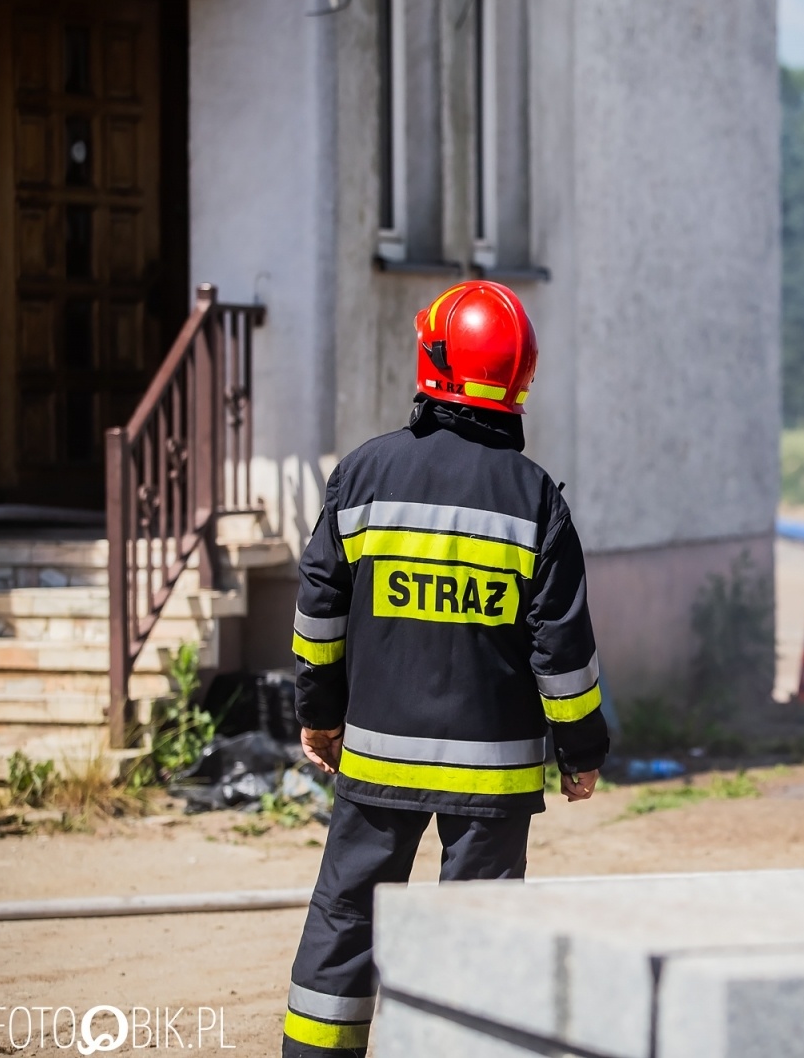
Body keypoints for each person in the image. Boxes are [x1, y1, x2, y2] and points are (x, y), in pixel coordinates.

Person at [282, 281, 609, 1057]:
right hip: (491, 779)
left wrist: (319, 711)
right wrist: (581, 750)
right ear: (517, 378)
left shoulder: (361, 477)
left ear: (433, 360)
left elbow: (318, 613)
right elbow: (560, 648)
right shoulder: (534, 501)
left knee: (347, 917)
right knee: (478, 936)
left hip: (377, 755)